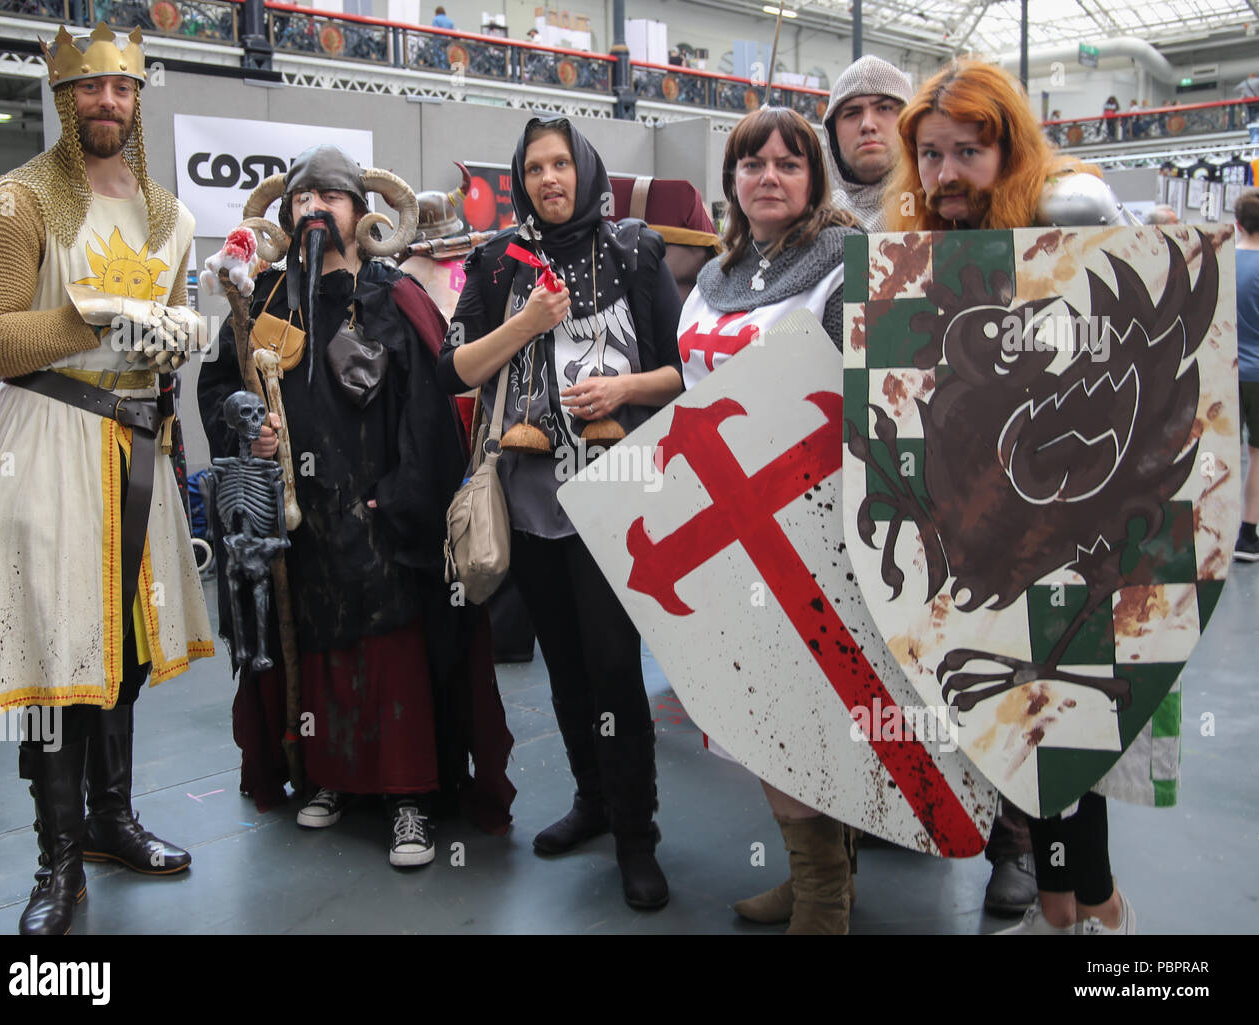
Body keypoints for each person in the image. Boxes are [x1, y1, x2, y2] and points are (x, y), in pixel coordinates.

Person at [0, 21, 213, 936]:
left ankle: (111, 820)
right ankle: (56, 860)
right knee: (56, 647)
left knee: (125, 648)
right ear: (63, 97)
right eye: (90, 87)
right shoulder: (20, 199)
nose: (108, 101)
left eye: (124, 88)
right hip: (48, 439)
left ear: (140, 99)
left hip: (138, 448)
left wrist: (177, 337)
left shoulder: (168, 214)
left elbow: (165, 336)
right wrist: (80, 317)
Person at [197, 145, 516, 866]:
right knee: (319, 653)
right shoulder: (265, 301)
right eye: (304, 197)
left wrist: (399, 496)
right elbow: (219, 387)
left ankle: (409, 798)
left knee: (392, 653)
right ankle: (332, 778)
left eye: (331, 197)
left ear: (358, 212)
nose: (315, 208)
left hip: (381, 514)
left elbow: (433, 407)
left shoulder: (390, 295)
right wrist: (250, 423)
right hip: (298, 518)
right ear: (287, 213)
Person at [887, 58, 1144, 935]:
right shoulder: (923, 253)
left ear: (1009, 151)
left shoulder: (1066, 221)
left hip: (1078, 527)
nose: (946, 175)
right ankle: (1060, 913)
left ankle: (1107, 919)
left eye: (968, 151)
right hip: (978, 529)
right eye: (930, 154)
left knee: (1070, 737)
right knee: (1020, 741)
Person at [439, 116, 684, 909]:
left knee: (615, 666)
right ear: (520, 178)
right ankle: (593, 801)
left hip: (617, 497)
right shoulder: (495, 260)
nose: (550, 178)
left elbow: (683, 372)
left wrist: (622, 389)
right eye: (535, 167)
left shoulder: (636, 250)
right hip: (531, 498)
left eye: (561, 163)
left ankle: (638, 835)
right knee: (565, 667)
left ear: (584, 167)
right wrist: (525, 322)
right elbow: (456, 369)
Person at [675, 106, 862, 933]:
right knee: (762, 712)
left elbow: (860, 404)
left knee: (808, 713)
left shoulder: (843, 264)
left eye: (790, 163)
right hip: (728, 528)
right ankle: (812, 875)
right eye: (753, 165)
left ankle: (826, 898)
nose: (770, 177)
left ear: (814, 179)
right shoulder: (719, 274)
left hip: (817, 528)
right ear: (732, 181)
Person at [820, 54, 913, 231]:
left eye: (884, 108)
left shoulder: (938, 210)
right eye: (852, 112)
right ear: (833, 133)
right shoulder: (816, 221)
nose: (867, 125)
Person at [1232, 188, 1259, 561]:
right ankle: (1248, 536)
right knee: (1257, 454)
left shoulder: (1222, 262)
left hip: (1223, 369)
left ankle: (1207, 534)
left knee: (1216, 455)